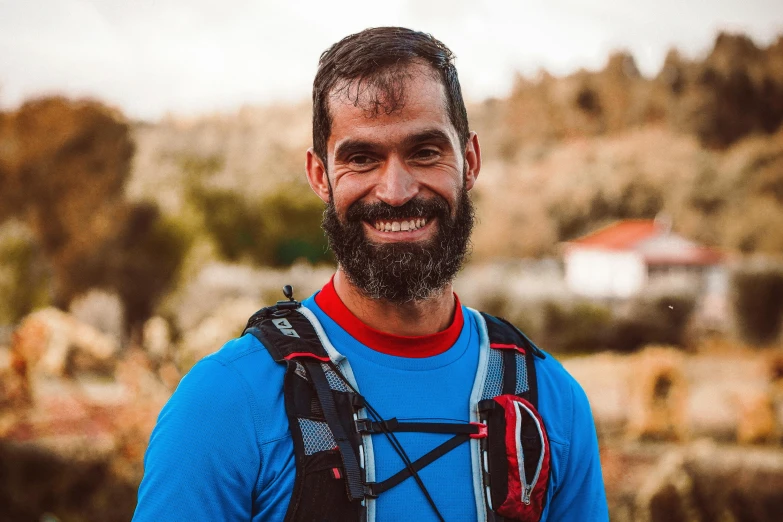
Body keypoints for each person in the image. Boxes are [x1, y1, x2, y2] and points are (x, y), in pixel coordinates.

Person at [132, 27, 608, 522]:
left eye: (425, 152)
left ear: (469, 161)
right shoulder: (223, 405)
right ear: (320, 176)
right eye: (362, 158)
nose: (397, 191)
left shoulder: (552, 401)